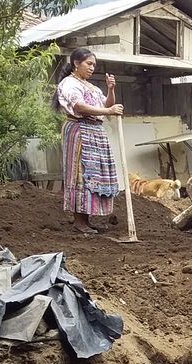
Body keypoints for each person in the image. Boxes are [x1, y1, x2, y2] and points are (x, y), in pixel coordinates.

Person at [53, 48, 123, 234]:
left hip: (95, 131)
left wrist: (110, 89)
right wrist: (108, 112)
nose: (92, 68)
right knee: (81, 173)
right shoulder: (69, 84)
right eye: (89, 64)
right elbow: (80, 107)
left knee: (93, 174)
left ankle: (87, 219)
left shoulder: (92, 87)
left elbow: (106, 105)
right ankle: (79, 221)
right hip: (79, 129)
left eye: (94, 65)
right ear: (76, 63)